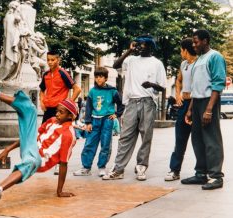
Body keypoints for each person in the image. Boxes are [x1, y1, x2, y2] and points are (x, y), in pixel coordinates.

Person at [0, 72, 77, 205]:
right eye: (57, 111)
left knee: (31, 161)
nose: (57, 114)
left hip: (39, 160)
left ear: (71, 116)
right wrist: (8, 149)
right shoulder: (52, 120)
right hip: (30, 146)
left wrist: (60, 191)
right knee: (30, 110)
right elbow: (31, 136)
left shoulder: (68, 136)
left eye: (61, 112)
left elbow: (63, 164)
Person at [103, 35, 166, 181]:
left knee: (146, 137)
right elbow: (115, 65)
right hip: (131, 102)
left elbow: (162, 87)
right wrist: (128, 51)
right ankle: (118, 169)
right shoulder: (131, 60)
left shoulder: (157, 63)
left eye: (142, 44)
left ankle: (141, 166)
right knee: (125, 137)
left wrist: (151, 84)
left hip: (148, 102)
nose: (139, 47)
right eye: (138, 44)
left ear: (150, 47)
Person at [182, 30, 226, 190]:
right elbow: (196, 87)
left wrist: (209, 110)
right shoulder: (199, 59)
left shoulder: (215, 57)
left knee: (211, 139)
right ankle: (201, 173)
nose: (193, 45)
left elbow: (218, 84)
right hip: (197, 102)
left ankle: (216, 176)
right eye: (193, 42)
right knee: (198, 139)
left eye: (196, 42)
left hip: (209, 101)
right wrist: (190, 109)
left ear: (205, 41)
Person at [73, 67, 124, 177]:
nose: (98, 79)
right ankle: (86, 168)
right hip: (94, 120)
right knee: (89, 144)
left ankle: (102, 167)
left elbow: (121, 103)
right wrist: (88, 122)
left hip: (107, 120)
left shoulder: (112, 91)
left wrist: (117, 114)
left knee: (105, 145)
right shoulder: (92, 91)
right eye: (96, 77)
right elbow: (89, 108)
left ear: (105, 78)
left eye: (101, 77)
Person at [164, 38, 197, 181]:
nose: (180, 52)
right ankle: (174, 170)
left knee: (199, 140)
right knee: (180, 139)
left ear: (185, 50)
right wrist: (177, 95)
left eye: (180, 50)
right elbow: (178, 80)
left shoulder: (199, 63)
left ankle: (202, 171)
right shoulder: (184, 64)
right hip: (184, 103)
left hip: (196, 103)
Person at [39, 51, 81, 124]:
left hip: (59, 110)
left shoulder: (63, 73)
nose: (50, 62)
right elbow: (42, 90)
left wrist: (68, 105)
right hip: (48, 110)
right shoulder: (46, 74)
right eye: (48, 60)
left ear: (58, 60)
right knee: (44, 132)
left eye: (52, 60)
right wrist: (41, 102)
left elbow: (77, 89)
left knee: (57, 132)